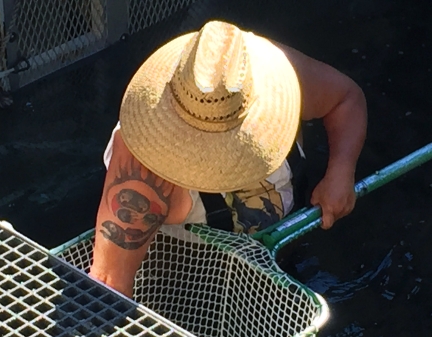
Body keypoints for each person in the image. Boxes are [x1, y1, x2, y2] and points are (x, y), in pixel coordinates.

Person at [89, 20, 367, 297]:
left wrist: (340, 172)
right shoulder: (144, 166)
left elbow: (345, 99)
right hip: (191, 290)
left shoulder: (279, 77)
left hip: (282, 263)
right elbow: (109, 284)